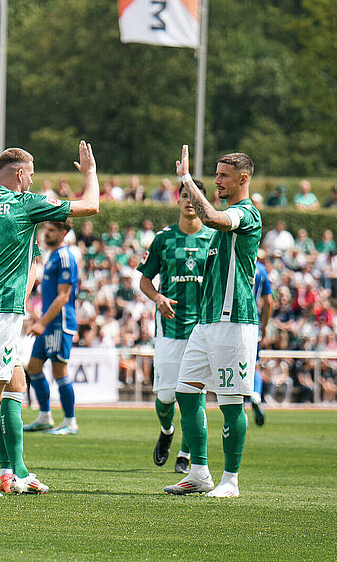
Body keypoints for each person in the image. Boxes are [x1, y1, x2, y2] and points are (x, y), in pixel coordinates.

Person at [0, 142, 100, 497]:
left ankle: (17, 472)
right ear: (20, 174)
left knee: (15, 386)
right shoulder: (25, 203)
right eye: (30, 173)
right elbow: (90, 206)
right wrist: (90, 172)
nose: (33, 180)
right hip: (1, 309)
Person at [165, 146, 262, 498]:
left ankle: (231, 481)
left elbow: (212, 219)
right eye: (216, 174)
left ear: (243, 178)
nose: (217, 181)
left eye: (222, 176)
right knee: (186, 393)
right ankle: (199, 473)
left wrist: (187, 180)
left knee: (231, 402)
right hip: (207, 322)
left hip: (234, 320)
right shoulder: (228, 215)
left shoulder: (246, 213)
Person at [136, 179, 215, 473]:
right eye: (184, 196)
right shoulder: (164, 238)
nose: (189, 201)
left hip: (203, 328)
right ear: (178, 200)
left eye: (194, 197)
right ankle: (167, 431)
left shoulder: (213, 238)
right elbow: (144, 279)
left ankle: (186, 453)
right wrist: (158, 297)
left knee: (196, 394)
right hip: (170, 328)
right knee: (167, 396)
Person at [24, 219, 82, 435]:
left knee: (59, 370)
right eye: (44, 229)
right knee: (34, 367)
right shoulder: (53, 256)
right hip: (48, 322)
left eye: (51, 230)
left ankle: (70, 421)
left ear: (63, 232)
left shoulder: (65, 257)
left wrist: (42, 322)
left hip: (59, 322)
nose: (45, 233)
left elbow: (63, 296)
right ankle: (45, 416)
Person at [252, 252, 273, 426]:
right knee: (254, 365)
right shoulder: (261, 270)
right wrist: (264, 325)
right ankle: (256, 395)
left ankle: (237, 407)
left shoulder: (237, 264)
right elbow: (269, 301)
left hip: (230, 324)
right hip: (253, 323)